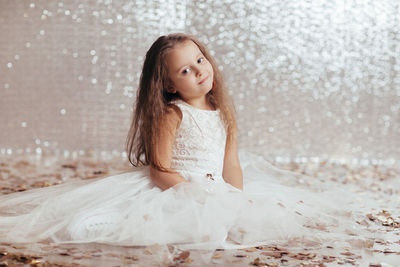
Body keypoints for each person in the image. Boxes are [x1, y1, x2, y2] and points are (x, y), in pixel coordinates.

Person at [0, 33, 377, 261]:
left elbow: (231, 164)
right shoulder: (172, 113)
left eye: (200, 60)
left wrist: (234, 200)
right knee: (166, 224)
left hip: (214, 187)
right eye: (185, 70)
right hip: (175, 187)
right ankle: (104, 223)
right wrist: (192, 195)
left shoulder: (221, 109)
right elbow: (160, 169)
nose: (199, 71)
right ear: (168, 85)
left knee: (237, 224)